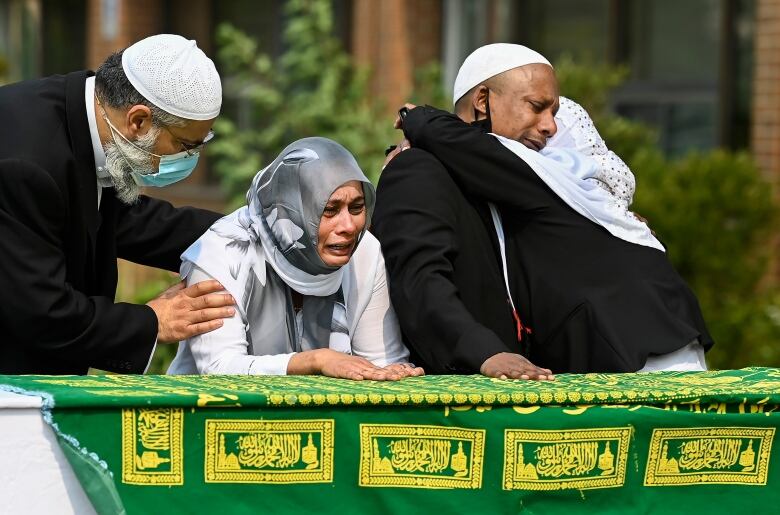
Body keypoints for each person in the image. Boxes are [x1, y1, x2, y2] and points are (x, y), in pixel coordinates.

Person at [394, 43, 712, 373]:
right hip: (635, 346)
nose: (551, 127)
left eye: (554, 113)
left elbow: (463, 143)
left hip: (643, 350)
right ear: (483, 101)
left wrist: (419, 119)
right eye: (536, 107)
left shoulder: (542, 168)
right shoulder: (508, 171)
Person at [0, 34, 236, 375]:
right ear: (139, 121)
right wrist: (153, 321)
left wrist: (246, 231)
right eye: (186, 144)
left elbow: (127, 219)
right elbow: (41, 312)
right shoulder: (25, 166)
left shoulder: (89, 116)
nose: (190, 158)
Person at [168, 138, 423, 381]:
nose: (348, 226)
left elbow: (380, 361)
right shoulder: (222, 251)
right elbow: (219, 368)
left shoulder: (364, 251)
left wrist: (394, 374)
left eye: (356, 208)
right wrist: (314, 361)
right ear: (289, 210)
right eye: (330, 210)